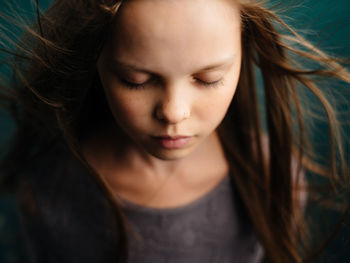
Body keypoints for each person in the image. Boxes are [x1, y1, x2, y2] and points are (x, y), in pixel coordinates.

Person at [0, 0, 349, 262]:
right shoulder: (47, 191)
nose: (173, 112)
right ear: (97, 62)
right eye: (136, 81)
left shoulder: (276, 179)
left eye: (208, 79)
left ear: (244, 53)